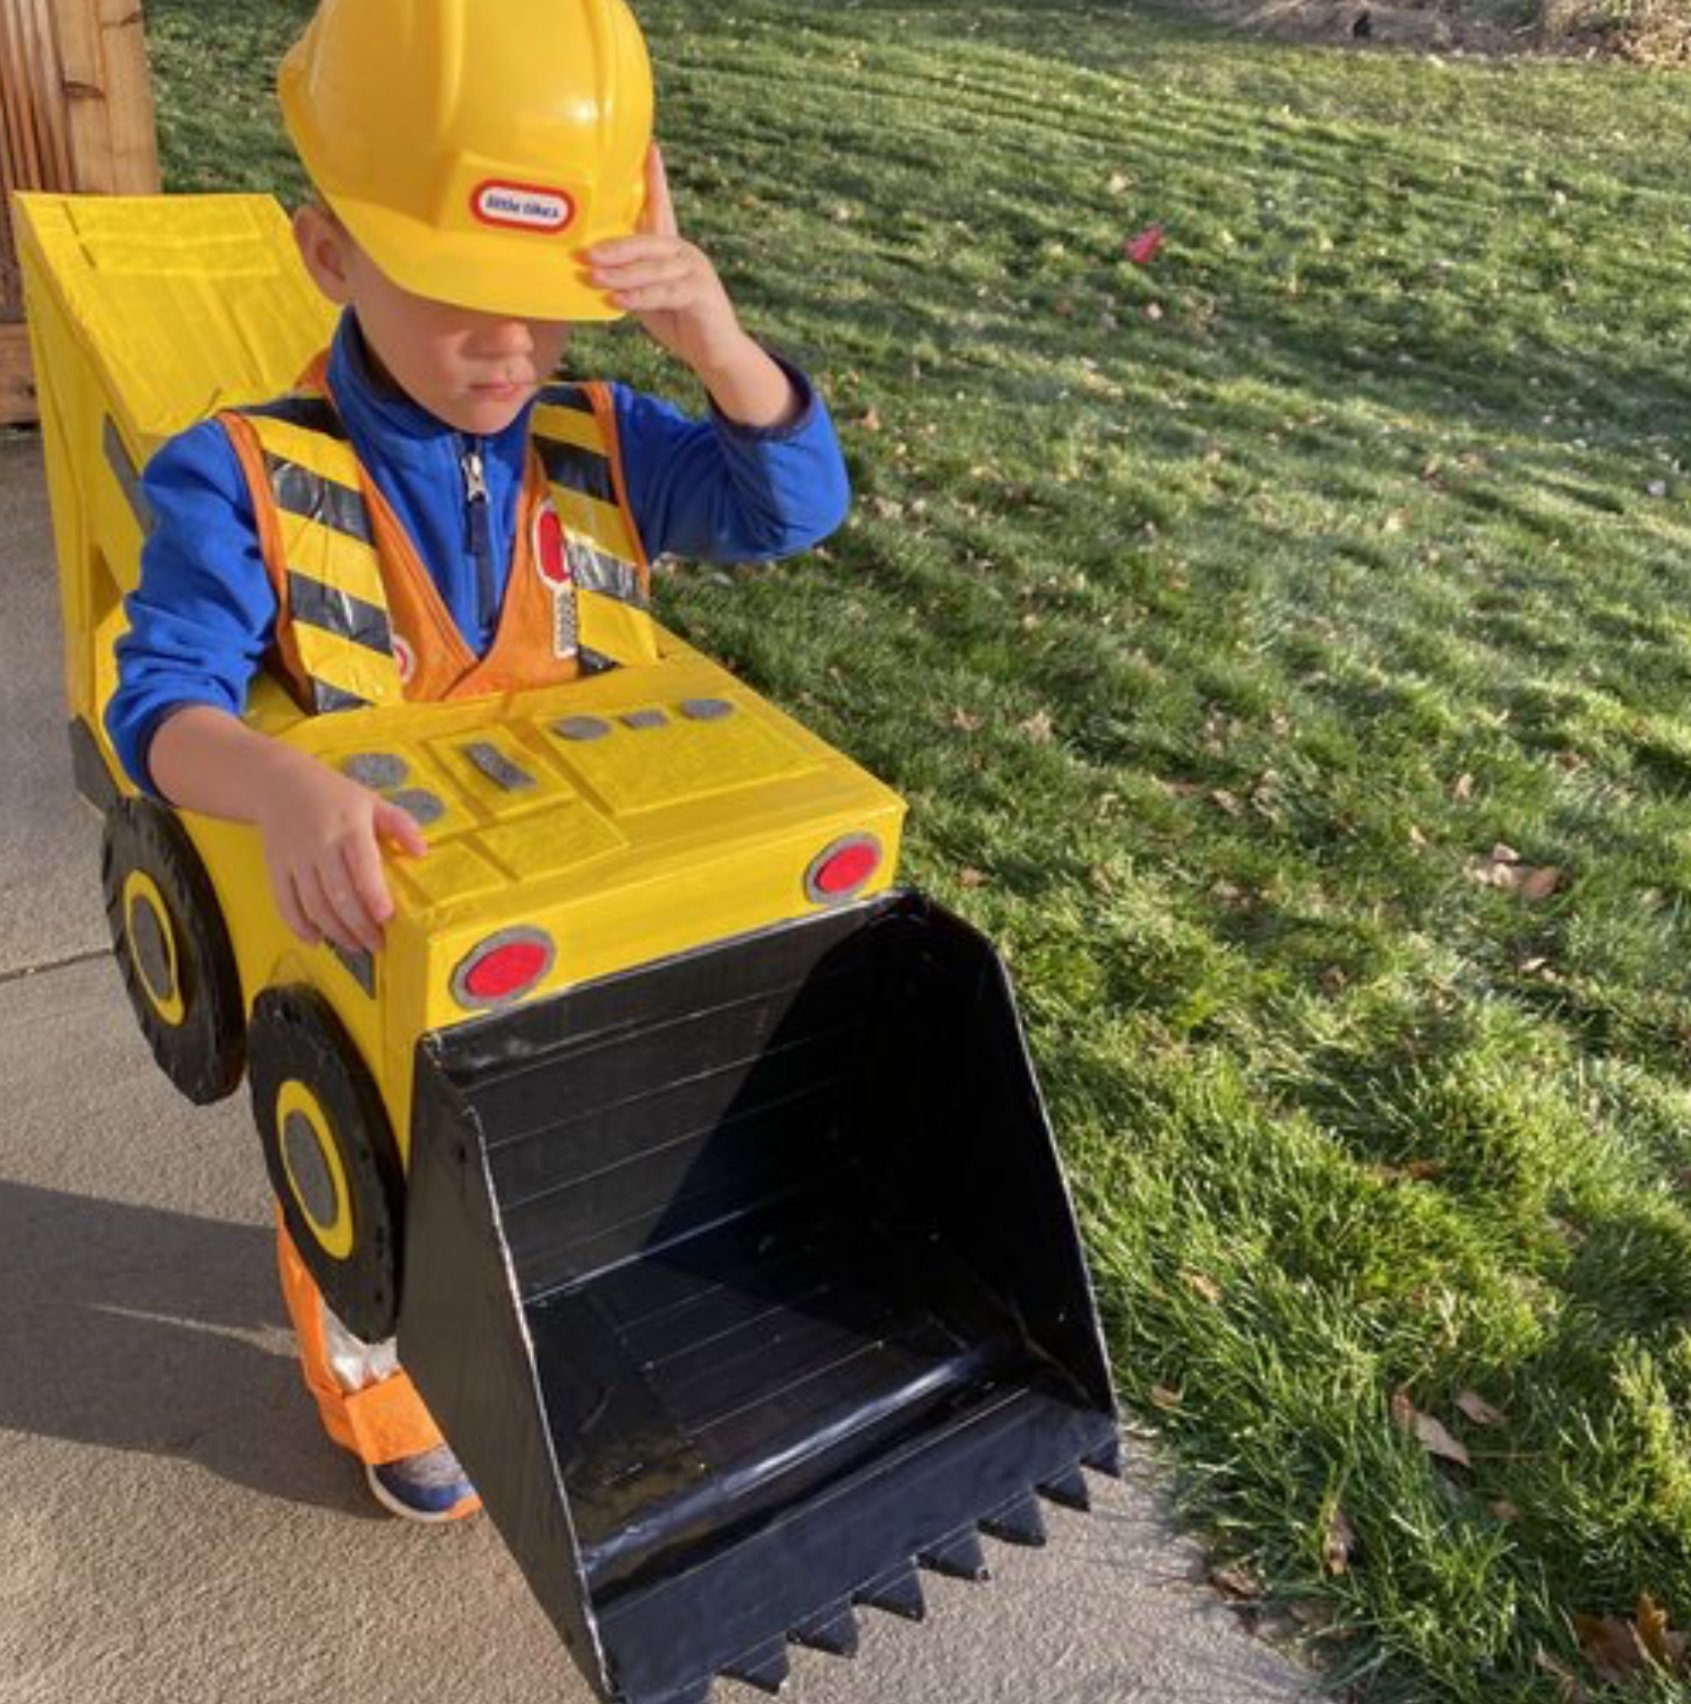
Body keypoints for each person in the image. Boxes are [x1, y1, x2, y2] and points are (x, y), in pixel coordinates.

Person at [104, 0, 850, 1523]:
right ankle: (370, 1355)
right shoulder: (239, 472)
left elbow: (790, 510)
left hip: (565, 885)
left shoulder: (604, 435)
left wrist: (709, 336)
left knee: (563, 1143)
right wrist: (287, 781)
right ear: (331, 256)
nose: (509, 347)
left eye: (549, 298)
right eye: (458, 293)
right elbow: (161, 707)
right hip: (381, 916)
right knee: (378, 1172)